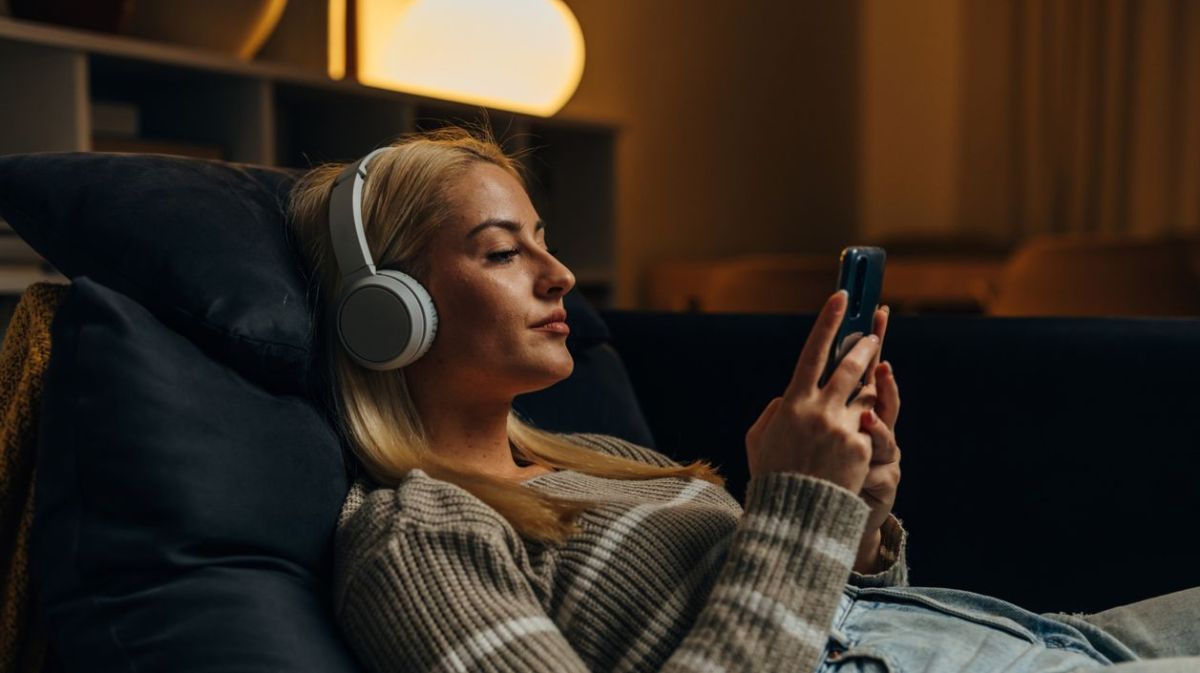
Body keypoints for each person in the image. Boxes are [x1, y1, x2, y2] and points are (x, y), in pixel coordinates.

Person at [286, 126, 1200, 672]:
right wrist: (802, 507)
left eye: (545, 240)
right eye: (501, 251)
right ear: (387, 311)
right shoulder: (418, 534)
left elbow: (816, 619)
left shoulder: (608, 461)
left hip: (1026, 635)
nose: (561, 274)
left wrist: (864, 522)